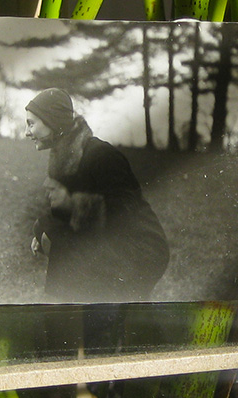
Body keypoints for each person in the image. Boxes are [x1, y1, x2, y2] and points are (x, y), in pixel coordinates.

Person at [24, 88, 169, 301]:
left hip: (139, 247)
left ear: (53, 122)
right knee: (58, 242)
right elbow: (63, 208)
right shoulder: (64, 157)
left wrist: (67, 210)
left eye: (31, 124)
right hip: (111, 243)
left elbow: (124, 212)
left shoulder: (100, 155)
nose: (26, 132)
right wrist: (42, 229)